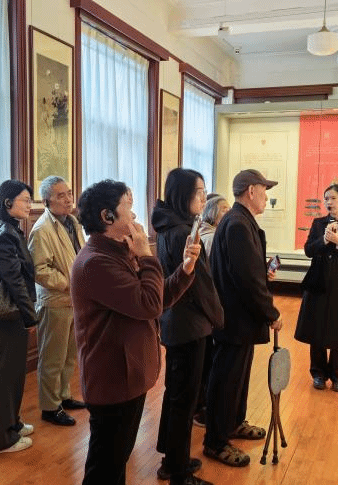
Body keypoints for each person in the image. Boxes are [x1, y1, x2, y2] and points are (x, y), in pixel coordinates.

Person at [71, 179, 200, 485]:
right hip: (112, 380)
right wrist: (147, 256)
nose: (134, 217)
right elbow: (149, 304)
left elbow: (155, 300)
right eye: (128, 208)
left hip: (127, 377)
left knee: (116, 463)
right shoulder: (95, 262)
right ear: (107, 216)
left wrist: (185, 270)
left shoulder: (116, 253)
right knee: (105, 469)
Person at [204, 169, 283, 467]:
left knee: (237, 377)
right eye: (264, 190)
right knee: (226, 380)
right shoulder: (237, 223)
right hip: (234, 320)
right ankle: (215, 441)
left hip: (239, 319)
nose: (266, 196)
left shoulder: (240, 221)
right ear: (251, 191)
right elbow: (247, 281)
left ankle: (234, 423)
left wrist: (262, 271)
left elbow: (245, 270)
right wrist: (271, 313)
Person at [151, 168, 223, 485]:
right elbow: (200, 285)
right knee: (185, 399)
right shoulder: (182, 231)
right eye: (199, 191)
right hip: (189, 324)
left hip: (177, 322)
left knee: (176, 395)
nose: (203, 197)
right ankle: (178, 472)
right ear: (183, 195)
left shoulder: (171, 225)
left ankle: (172, 459)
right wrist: (218, 317)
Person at [294, 183, 338, 392]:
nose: (329, 202)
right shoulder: (318, 223)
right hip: (318, 283)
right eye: (326, 198)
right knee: (316, 329)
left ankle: (337, 375)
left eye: (333, 198)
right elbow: (308, 250)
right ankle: (318, 373)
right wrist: (324, 241)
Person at [0, 180, 38, 454]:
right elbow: (14, 281)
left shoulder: (7, 230)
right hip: (8, 315)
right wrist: (30, 317)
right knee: (4, 376)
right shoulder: (5, 234)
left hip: (11, 314)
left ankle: (11, 424)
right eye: (25, 200)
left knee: (13, 374)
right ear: (8, 203)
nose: (30, 205)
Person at [28, 176, 86, 427]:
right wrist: (68, 282)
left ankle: (63, 395)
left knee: (69, 356)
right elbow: (39, 270)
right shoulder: (41, 229)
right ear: (46, 201)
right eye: (61, 195)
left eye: (69, 193)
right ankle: (50, 407)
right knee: (52, 358)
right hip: (55, 302)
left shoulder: (73, 222)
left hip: (75, 300)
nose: (68, 199)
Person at [192, 194, 230, 428]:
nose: (228, 213)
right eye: (224, 209)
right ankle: (201, 409)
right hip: (209, 308)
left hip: (208, 309)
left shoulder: (209, 234)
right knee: (208, 362)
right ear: (213, 213)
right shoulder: (211, 237)